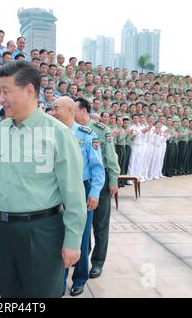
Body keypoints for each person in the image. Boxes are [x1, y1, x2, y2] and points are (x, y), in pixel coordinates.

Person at [0, 61, 87, 298]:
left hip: (41, 231)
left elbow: (73, 194)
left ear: (29, 90)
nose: (0, 99)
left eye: (6, 92)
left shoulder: (57, 134)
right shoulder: (0, 130)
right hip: (3, 229)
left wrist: (73, 241)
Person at [52, 96, 104, 297]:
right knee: (58, 237)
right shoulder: (51, 133)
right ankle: (58, 280)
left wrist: (94, 193)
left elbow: (97, 168)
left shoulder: (86, 135)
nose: (54, 112)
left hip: (82, 190)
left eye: (57, 108)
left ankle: (79, 278)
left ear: (70, 109)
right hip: (56, 191)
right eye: (53, 108)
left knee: (80, 238)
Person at [75, 97, 120, 279]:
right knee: (82, 223)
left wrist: (114, 180)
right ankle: (82, 258)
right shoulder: (73, 130)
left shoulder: (101, 130)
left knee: (100, 225)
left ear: (84, 111)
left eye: (74, 110)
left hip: (100, 183)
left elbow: (110, 156)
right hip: (82, 183)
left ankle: (98, 262)